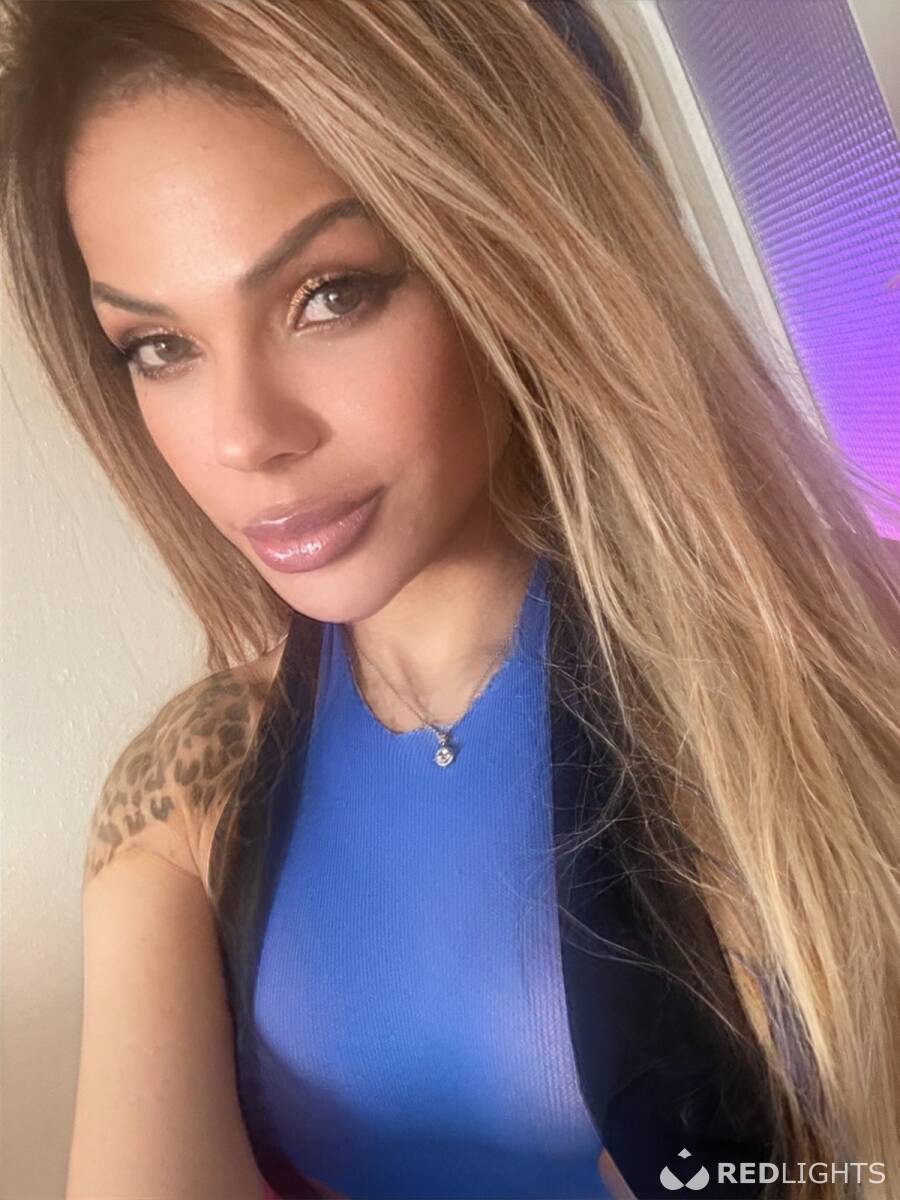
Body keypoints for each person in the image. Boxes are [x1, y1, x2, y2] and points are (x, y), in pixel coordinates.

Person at [1, 2, 898, 1198]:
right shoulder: (190, 785)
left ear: (516, 250)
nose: (245, 437)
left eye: (331, 294)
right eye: (159, 346)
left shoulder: (835, 696)